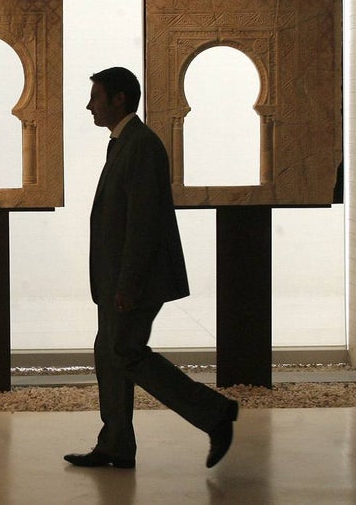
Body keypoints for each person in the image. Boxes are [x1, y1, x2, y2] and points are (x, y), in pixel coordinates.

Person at [65, 66, 239, 470]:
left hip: (132, 280)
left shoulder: (140, 145)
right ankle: (116, 445)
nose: (89, 105)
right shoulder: (125, 142)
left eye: (96, 96)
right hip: (118, 278)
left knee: (124, 351)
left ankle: (214, 413)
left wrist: (127, 283)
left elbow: (143, 222)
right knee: (109, 353)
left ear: (119, 99)